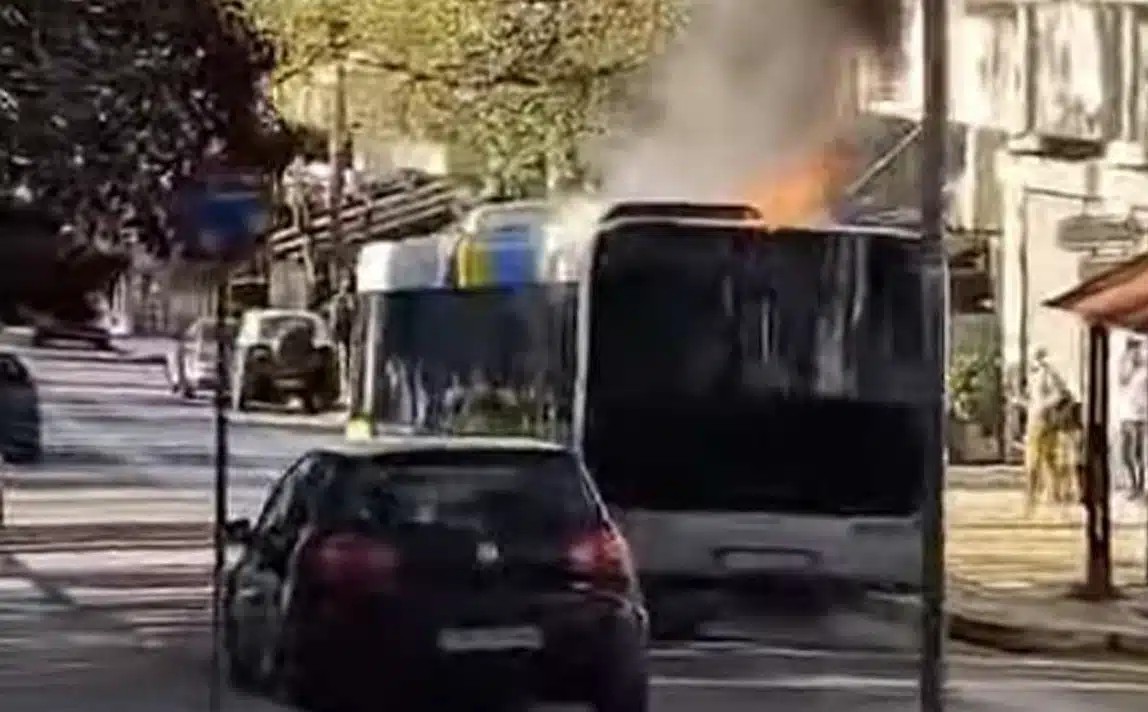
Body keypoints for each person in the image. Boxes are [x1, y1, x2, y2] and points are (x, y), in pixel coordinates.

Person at [1024, 348, 1074, 513]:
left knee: (1037, 458)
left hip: (1041, 420)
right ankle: (1050, 494)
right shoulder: (1035, 374)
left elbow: (1059, 394)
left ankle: (1040, 495)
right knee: (1045, 458)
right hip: (1037, 419)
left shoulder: (1047, 374)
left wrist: (1043, 406)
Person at [1116, 336, 1147, 498]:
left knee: (1137, 454)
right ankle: (1133, 484)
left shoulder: (1145, 371)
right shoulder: (1126, 369)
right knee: (1125, 454)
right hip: (1126, 415)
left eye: (1135, 350)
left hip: (1139, 417)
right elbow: (1122, 381)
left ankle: (1138, 487)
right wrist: (1127, 365)